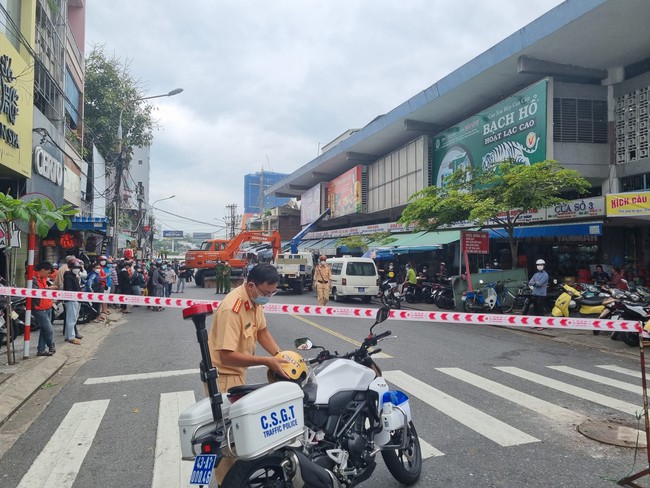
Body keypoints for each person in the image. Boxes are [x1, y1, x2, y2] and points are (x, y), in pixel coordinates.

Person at [207, 263, 289, 484]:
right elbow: (226, 356)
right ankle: (227, 483)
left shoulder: (254, 300)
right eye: (266, 293)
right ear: (251, 285)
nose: (269, 297)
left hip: (236, 373)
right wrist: (266, 361)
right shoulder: (231, 308)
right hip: (223, 376)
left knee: (237, 436)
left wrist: (281, 355)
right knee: (229, 441)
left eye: (273, 292)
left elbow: (261, 331)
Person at [33, 262, 57, 356]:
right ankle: (51, 345)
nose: (48, 274)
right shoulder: (33, 279)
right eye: (47, 272)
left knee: (44, 330)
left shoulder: (44, 278)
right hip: (39, 309)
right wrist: (49, 289)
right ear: (42, 270)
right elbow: (36, 292)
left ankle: (41, 350)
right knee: (49, 330)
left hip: (48, 306)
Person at [62, 259, 82, 344]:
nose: (76, 269)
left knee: (71, 318)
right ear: (70, 268)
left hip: (75, 299)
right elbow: (69, 290)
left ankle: (67, 336)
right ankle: (71, 337)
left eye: (78, 267)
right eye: (75, 267)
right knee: (71, 319)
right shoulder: (69, 277)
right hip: (71, 300)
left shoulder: (73, 276)